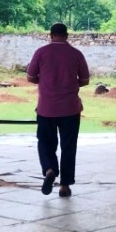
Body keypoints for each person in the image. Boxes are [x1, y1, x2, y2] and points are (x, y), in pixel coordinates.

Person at [26, 22, 90, 197]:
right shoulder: (76, 54)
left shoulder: (41, 53)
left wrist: (47, 81)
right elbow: (85, 80)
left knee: (45, 142)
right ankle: (65, 185)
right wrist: (69, 84)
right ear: (67, 35)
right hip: (70, 108)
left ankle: (49, 170)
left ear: (51, 35)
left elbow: (30, 77)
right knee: (69, 146)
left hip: (46, 108)